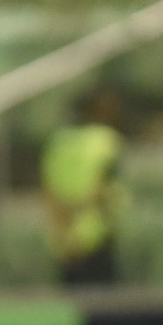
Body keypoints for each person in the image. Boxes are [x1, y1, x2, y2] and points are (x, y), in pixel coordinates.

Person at [42, 86, 127, 289]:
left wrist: (64, 237)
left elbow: (51, 195)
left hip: (66, 246)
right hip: (97, 241)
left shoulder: (57, 143)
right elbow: (102, 190)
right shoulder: (106, 141)